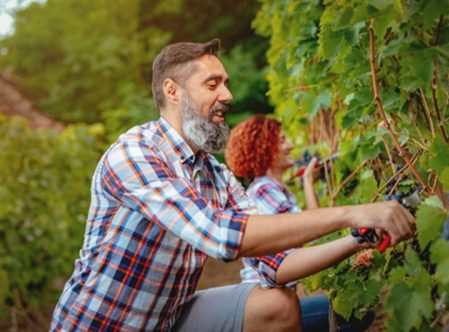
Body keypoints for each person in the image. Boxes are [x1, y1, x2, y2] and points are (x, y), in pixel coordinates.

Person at [50, 39, 415, 332]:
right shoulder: (135, 153)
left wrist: (358, 236)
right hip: (100, 324)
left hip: (166, 318)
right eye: (213, 84)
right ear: (172, 91)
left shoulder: (216, 175)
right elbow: (220, 235)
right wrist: (350, 211)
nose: (228, 95)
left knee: (277, 302)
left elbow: (278, 265)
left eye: (225, 83)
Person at [224, 115, 375, 331]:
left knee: (350, 312)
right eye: (283, 140)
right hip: (269, 308)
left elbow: (314, 229)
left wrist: (307, 183)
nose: (291, 145)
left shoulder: (273, 191)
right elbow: (312, 235)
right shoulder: (264, 192)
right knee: (353, 314)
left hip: (278, 301)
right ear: (266, 148)